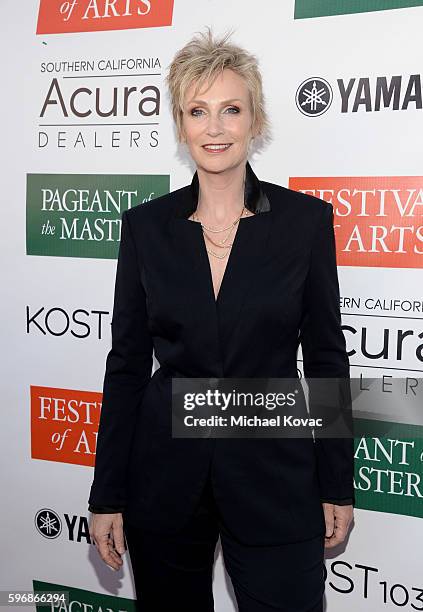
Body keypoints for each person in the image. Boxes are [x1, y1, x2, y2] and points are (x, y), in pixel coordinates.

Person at [88, 27, 354, 612]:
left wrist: (337, 481)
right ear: (180, 124)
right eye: (198, 111)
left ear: (254, 121)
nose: (215, 127)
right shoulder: (144, 228)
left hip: (274, 475)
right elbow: (127, 365)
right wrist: (107, 494)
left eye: (231, 109)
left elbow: (328, 357)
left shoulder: (304, 223)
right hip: (164, 479)